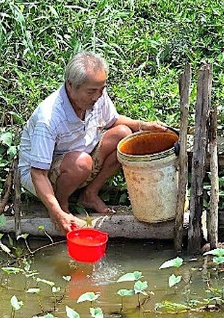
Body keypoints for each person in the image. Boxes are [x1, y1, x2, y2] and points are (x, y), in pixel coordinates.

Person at [18, 51, 168, 234]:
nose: (97, 96)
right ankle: (62, 204)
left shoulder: (97, 96)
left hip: (80, 159)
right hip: (45, 173)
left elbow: (113, 121)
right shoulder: (48, 118)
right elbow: (38, 173)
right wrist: (57, 213)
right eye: (91, 91)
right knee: (81, 163)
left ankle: (89, 194)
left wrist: (143, 126)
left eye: (101, 89)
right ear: (71, 86)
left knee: (123, 134)